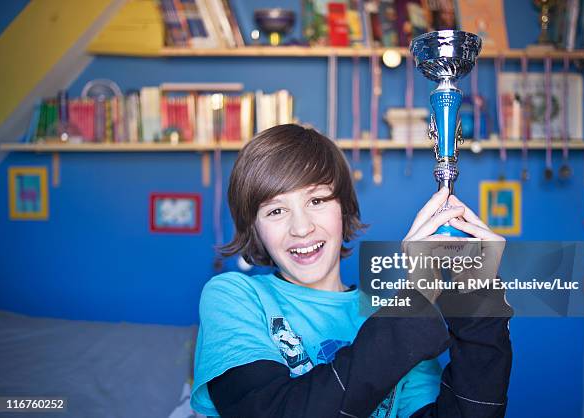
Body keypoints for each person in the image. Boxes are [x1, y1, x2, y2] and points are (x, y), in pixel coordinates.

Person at [190, 124, 513, 418]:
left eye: (317, 201)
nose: (301, 228)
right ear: (254, 227)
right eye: (276, 210)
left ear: (345, 209)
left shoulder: (392, 318)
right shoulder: (234, 296)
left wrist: (478, 305)